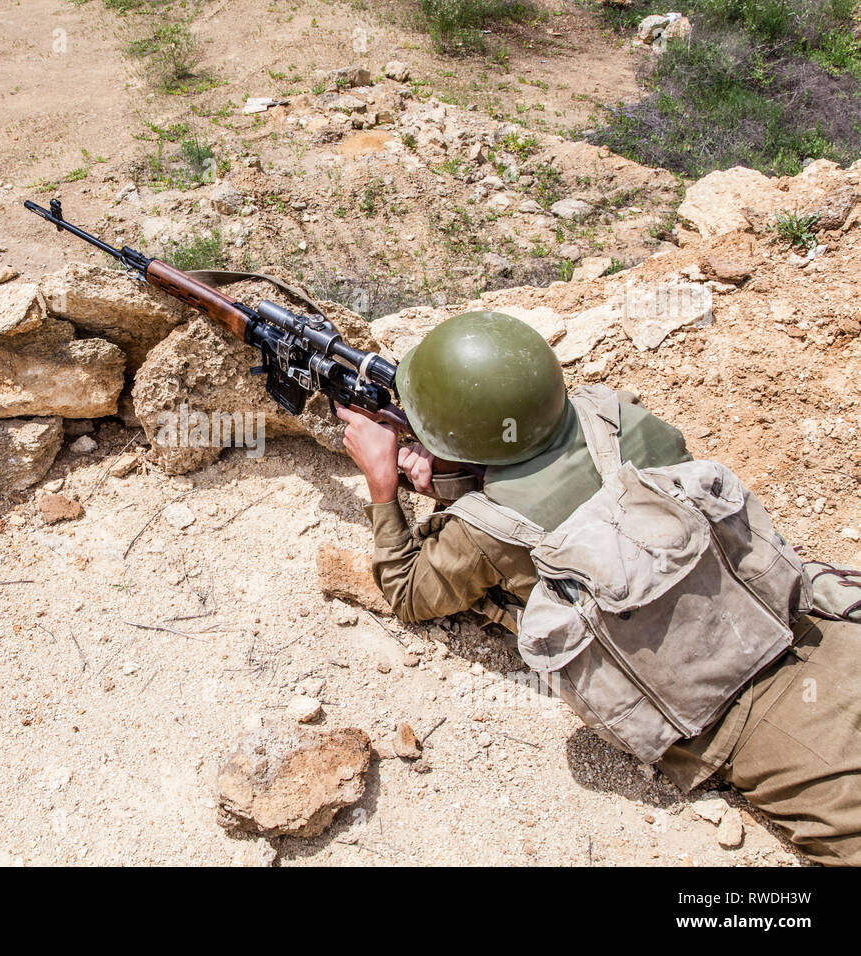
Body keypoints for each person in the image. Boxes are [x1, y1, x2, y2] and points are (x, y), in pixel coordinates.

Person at [335, 310, 861, 866]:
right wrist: (460, 475)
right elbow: (591, 492)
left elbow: (408, 593)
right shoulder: (618, 417)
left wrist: (384, 484)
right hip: (812, 623)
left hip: (754, 727)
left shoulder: (486, 533)